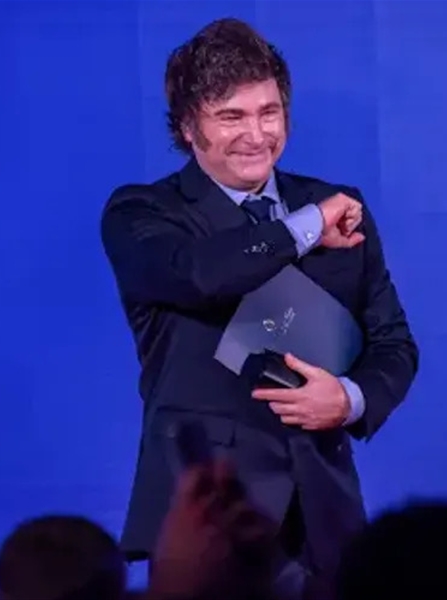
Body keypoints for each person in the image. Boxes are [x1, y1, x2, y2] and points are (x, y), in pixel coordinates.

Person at [101, 17, 418, 600]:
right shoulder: (143, 213)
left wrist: (348, 399)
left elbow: (393, 343)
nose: (256, 134)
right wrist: (305, 227)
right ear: (189, 127)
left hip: (327, 522)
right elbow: (201, 276)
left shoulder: (337, 206)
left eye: (268, 112)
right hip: (209, 521)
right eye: (231, 117)